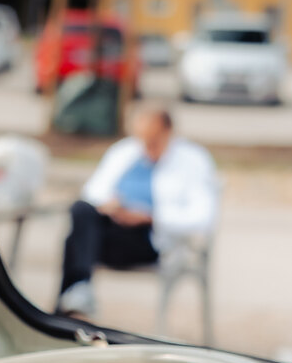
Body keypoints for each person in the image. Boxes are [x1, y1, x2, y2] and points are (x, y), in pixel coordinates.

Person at [56, 106, 219, 318]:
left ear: (168, 132)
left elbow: (203, 217)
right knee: (80, 209)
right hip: (112, 229)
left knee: (75, 241)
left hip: (151, 240)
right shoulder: (125, 151)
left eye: (153, 140)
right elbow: (93, 192)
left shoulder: (193, 160)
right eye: (142, 138)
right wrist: (112, 205)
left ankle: (68, 309)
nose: (146, 146)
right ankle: (77, 296)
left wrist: (150, 216)